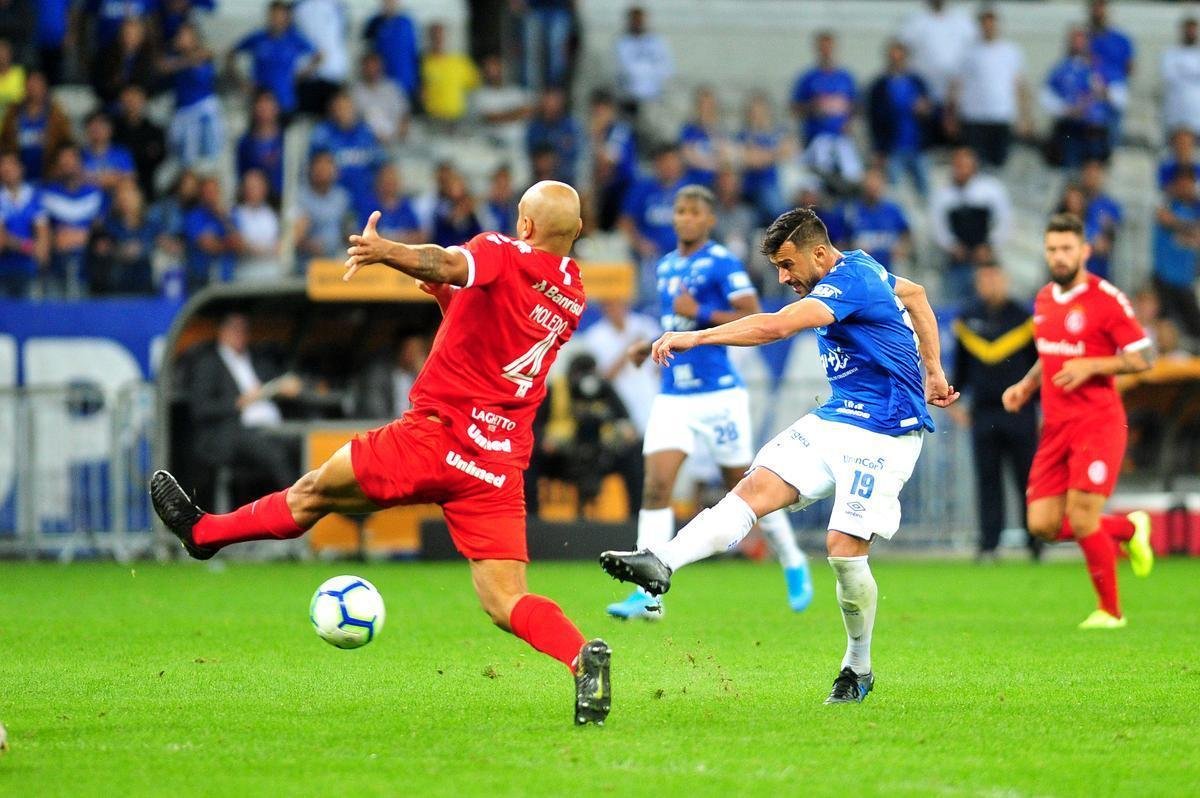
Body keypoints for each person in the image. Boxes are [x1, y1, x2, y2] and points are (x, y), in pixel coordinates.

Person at [150, 180, 613, 727]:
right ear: (577, 233)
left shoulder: (502, 251)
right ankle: (581, 659)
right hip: (496, 462)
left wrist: (384, 251)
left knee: (314, 493)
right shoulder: (575, 292)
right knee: (506, 601)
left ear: (527, 227)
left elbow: (444, 262)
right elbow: (491, 321)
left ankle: (204, 535)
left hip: (435, 438)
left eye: (520, 215)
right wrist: (444, 293)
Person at [601, 206, 958, 703]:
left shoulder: (850, 279)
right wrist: (934, 370)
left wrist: (695, 335)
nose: (785, 277)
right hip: (838, 417)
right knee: (753, 488)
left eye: (788, 266)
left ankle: (858, 666)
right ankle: (662, 562)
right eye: (778, 269)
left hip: (886, 430)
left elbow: (774, 328)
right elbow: (916, 295)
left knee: (842, 551)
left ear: (818, 252)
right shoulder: (865, 266)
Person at [605, 185, 813, 621]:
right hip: (675, 395)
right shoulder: (665, 266)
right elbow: (674, 321)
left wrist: (699, 311)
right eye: (679, 210)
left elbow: (754, 312)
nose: (683, 218)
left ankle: (792, 559)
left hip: (718, 393)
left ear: (709, 219)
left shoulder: (720, 261)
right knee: (657, 485)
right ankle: (649, 595)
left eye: (693, 212)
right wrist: (650, 345)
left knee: (748, 487)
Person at [1001, 213, 1155, 629]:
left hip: (1097, 423)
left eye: (1067, 248)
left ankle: (1111, 612)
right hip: (1055, 427)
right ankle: (1127, 528)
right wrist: (1026, 384)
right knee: (1043, 525)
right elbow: (1050, 352)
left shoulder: (1107, 299)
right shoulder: (1045, 299)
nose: (1059, 256)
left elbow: (1144, 357)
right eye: (1052, 249)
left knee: (1083, 517)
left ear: (1084, 251)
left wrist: (1092, 366)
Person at [950, 262, 1039, 562]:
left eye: (994, 278)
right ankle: (989, 544)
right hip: (983, 413)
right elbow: (960, 368)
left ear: (1005, 279)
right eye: (984, 279)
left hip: (1021, 411)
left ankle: (1035, 541)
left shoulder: (1024, 318)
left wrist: (1043, 409)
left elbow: (1038, 366)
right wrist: (954, 401)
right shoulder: (968, 318)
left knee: (1027, 478)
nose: (989, 284)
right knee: (987, 480)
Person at [184, 311, 302, 503]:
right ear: (221, 331)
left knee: (305, 442)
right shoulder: (209, 364)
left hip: (273, 426)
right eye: (234, 329)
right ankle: (299, 505)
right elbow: (201, 408)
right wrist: (238, 402)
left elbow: (277, 381)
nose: (240, 334)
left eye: (244, 329)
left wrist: (284, 387)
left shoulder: (257, 358)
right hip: (231, 432)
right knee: (273, 453)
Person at [537, 353, 643, 513]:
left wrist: (625, 431)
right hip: (563, 455)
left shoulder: (604, 388)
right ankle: (531, 518)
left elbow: (626, 422)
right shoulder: (557, 388)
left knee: (635, 454)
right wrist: (543, 441)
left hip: (602, 453)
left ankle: (636, 518)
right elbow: (535, 424)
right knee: (530, 459)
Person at [950, 9, 1030, 168]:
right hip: (974, 117)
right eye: (985, 24)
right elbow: (957, 85)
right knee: (975, 164)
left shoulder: (1011, 52)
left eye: (991, 24)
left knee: (999, 163)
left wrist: (1024, 117)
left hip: (1001, 115)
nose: (988, 27)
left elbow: (1020, 87)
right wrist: (952, 115)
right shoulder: (968, 53)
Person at [929, 146, 1012, 301]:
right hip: (957, 260)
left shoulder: (990, 190)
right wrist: (952, 246)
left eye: (965, 165)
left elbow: (1004, 220)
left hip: (985, 258)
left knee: (990, 301)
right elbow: (938, 227)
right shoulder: (943, 194)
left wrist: (989, 245)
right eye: (958, 165)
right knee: (953, 303)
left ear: (974, 166)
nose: (961, 170)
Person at [1041, 27, 1121, 169]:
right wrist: (1066, 110)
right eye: (1075, 40)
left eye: (1081, 40)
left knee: (1095, 170)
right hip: (1072, 130)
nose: (1078, 44)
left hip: (1096, 131)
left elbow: (1121, 97)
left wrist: (1105, 92)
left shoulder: (1101, 68)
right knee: (1071, 171)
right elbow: (1046, 98)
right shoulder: (1061, 69)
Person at [228, 0, 320, 118]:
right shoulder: (258, 37)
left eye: (280, 16)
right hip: (260, 101)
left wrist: (302, 75)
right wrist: (241, 82)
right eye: (274, 15)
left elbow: (318, 56)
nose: (277, 19)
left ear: (287, 18)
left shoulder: (294, 39)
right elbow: (231, 53)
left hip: (285, 100)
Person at [580, 299, 659, 435]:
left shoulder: (645, 325)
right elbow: (602, 379)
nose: (615, 309)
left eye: (618, 303)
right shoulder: (594, 336)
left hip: (651, 390)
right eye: (609, 305)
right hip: (621, 399)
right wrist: (629, 350)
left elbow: (662, 362)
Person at [867, 39, 931, 198]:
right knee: (894, 191)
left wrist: (924, 109)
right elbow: (875, 119)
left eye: (900, 58)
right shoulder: (880, 86)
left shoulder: (917, 82)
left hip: (918, 147)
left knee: (925, 191)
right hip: (893, 148)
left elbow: (930, 111)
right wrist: (879, 149)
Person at [790, 31, 858, 181]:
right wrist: (814, 107)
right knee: (820, 175)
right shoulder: (808, 78)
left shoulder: (845, 78)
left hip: (841, 138)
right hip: (816, 139)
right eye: (823, 48)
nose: (826, 52)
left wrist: (848, 118)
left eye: (829, 47)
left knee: (851, 174)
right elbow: (795, 108)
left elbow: (856, 106)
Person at [40, 144, 106, 298]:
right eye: (63, 161)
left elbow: (102, 229)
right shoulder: (46, 194)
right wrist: (54, 238)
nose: (67, 165)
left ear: (81, 163)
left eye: (71, 160)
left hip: (88, 268)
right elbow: (40, 228)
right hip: (55, 267)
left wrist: (85, 236)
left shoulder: (95, 194)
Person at [309, 91, 385, 212]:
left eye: (346, 107)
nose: (343, 112)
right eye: (339, 108)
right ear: (332, 111)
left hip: (365, 194)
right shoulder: (323, 134)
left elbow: (381, 163)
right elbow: (316, 167)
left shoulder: (365, 133)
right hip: (333, 196)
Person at [160, 22, 224, 166]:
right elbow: (163, 67)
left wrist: (189, 59)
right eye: (180, 35)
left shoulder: (204, 54)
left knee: (208, 157)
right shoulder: (174, 57)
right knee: (182, 158)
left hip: (203, 111)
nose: (181, 38)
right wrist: (186, 60)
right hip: (182, 111)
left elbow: (211, 54)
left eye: (185, 35)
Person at [1151, 169, 1200, 339]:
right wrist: (1191, 229)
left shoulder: (1195, 208)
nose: (1185, 187)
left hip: (1185, 280)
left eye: (1189, 183)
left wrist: (1179, 225)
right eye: (1182, 183)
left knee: (1194, 329)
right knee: (1163, 326)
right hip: (1163, 278)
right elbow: (1164, 218)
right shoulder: (1168, 204)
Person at [0, 70, 71, 181]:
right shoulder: (13, 112)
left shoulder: (56, 114)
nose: (33, 87)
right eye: (30, 84)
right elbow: (5, 142)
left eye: (37, 83)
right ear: (24, 87)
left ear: (45, 86)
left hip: (48, 175)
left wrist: (57, 169)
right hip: (18, 177)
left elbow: (65, 143)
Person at [92, 178, 156, 295]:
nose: (125, 198)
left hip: (146, 295)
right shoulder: (106, 228)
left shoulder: (152, 227)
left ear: (140, 197)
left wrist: (143, 250)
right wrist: (119, 250)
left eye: (130, 192)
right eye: (121, 193)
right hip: (113, 295)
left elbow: (159, 250)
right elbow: (100, 252)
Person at [842, 167, 910, 272]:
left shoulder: (893, 210)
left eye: (876, 184)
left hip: (890, 271)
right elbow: (840, 241)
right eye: (869, 184)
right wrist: (853, 249)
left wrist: (902, 247)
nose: (872, 188)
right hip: (862, 272)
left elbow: (906, 233)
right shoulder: (852, 211)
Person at [0, 149, 48, 298]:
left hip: (29, 269)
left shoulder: (35, 195)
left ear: (21, 168)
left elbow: (42, 237)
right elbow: (1, 242)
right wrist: (27, 246)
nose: (7, 169)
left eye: (11, 165)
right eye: (3, 165)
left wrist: (38, 251)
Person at [1086, 0, 1133, 148]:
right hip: (1091, 90)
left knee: (1113, 132)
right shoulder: (1085, 37)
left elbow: (1129, 66)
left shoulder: (1121, 39)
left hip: (1114, 90)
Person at [291, 150, 353, 263]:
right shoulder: (300, 197)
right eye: (319, 166)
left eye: (328, 165)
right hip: (307, 262)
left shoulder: (342, 197)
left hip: (336, 259)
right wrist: (308, 244)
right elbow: (294, 237)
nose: (324, 170)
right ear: (311, 169)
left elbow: (348, 231)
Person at [614, 6, 674, 120]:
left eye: (640, 20)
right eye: (634, 20)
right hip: (630, 98)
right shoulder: (621, 43)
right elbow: (623, 71)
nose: (637, 23)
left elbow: (667, 68)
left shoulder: (657, 42)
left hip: (655, 97)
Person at [351, 333, 429, 419]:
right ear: (401, 350)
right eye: (411, 349)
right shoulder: (380, 374)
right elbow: (376, 412)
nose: (416, 355)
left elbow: (432, 407)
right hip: (388, 426)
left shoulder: (422, 375)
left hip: (415, 427)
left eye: (420, 350)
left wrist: (422, 373)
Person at [293, 0, 350, 116]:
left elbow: (340, 37)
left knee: (333, 120)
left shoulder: (338, 6)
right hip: (307, 76)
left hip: (333, 74)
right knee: (306, 119)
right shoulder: (298, 7)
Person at [112, 85, 167, 201]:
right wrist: (143, 152)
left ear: (144, 100)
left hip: (145, 186)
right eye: (128, 97)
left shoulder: (155, 131)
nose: (131, 102)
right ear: (121, 99)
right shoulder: (112, 129)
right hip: (116, 186)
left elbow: (158, 158)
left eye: (136, 97)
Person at [421, 21, 481, 125]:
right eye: (434, 36)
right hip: (433, 116)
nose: (438, 39)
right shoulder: (423, 62)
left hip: (456, 117)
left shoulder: (460, 61)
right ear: (430, 38)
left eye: (441, 36)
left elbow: (475, 85)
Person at [363, 0, 420, 106]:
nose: (389, 3)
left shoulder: (407, 22)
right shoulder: (375, 22)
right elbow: (367, 50)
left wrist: (418, 81)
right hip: (382, 80)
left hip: (405, 80)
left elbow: (414, 52)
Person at [471, 54, 530, 155]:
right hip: (490, 148)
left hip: (517, 147)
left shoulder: (516, 92)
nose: (493, 73)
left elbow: (530, 111)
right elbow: (491, 118)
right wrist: (516, 113)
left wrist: (503, 115)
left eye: (496, 68)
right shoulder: (479, 95)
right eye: (489, 70)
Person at [231, 169, 282, 283]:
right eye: (250, 187)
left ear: (265, 189)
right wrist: (267, 249)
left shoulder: (271, 214)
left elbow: (280, 245)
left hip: (272, 275)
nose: (254, 190)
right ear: (243, 189)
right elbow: (240, 244)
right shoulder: (236, 214)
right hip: (246, 275)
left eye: (258, 186)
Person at [351, 51, 410, 146]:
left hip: (396, 138)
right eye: (368, 67)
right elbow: (352, 121)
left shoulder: (392, 88)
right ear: (362, 68)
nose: (372, 70)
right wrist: (371, 136)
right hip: (367, 142)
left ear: (381, 67)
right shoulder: (354, 92)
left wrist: (400, 132)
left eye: (375, 66)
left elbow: (404, 114)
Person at [525, 88, 581, 185]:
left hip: (565, 174)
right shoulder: (534, 127)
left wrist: (557, 164)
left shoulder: (571, 126)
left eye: (555, 100)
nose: (551, 105)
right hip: (536, 175)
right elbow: (530, 152)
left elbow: (576, 154)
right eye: (549, 100)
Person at [237, 91, 286, 200]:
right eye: (260, 104)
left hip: (283, 197)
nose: (264, 108)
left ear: (277, 108)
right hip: (255, 200)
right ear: (253, 109)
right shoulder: (245, 143)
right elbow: (241, 175)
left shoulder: (287, 140)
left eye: (268, 103)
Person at [679, 86, 728, 188]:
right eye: (702, 105)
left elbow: (725, 157)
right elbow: (689, 158)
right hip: (694, 181)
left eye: (709, 105)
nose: (705, 109)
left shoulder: (721, 130)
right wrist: (714, 164)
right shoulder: (689, 130)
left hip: (717, 184)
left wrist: (710, 129)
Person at [1162, 17, 1200, 137]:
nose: (1190, 33)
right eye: (1188, 30)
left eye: (1193, 30)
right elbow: (1169, 77)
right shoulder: (1170, 54)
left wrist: (1184, 71)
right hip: (1177, 107)